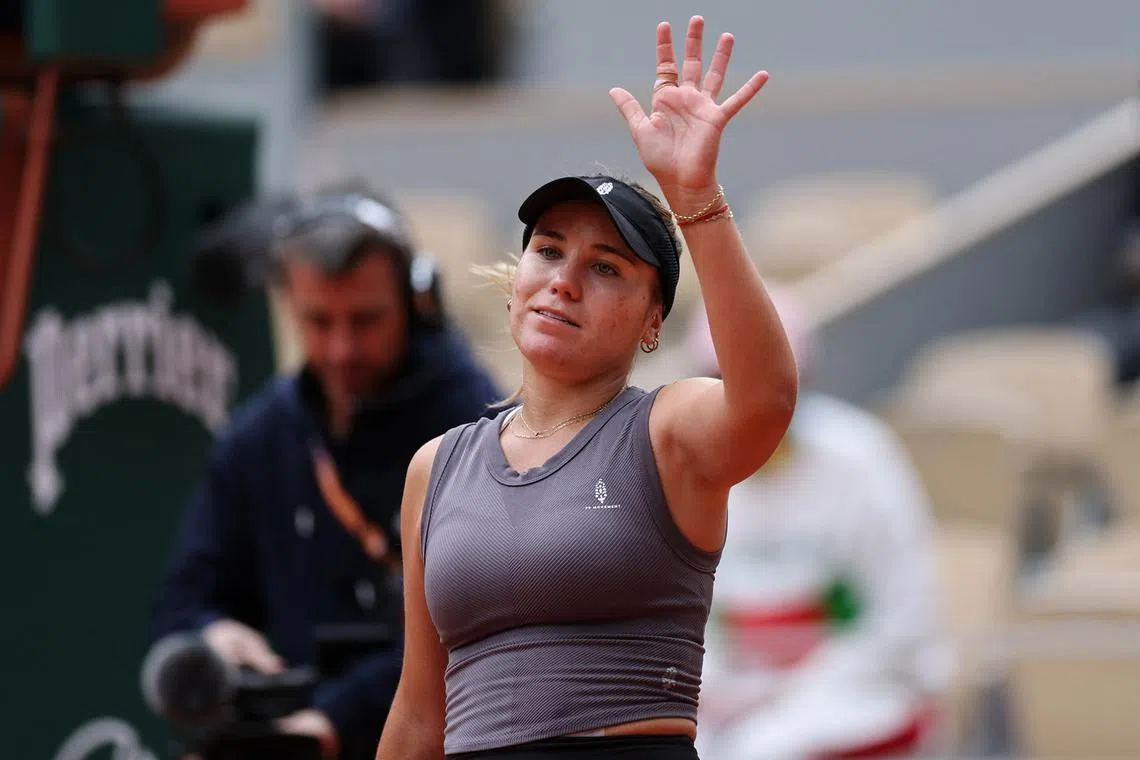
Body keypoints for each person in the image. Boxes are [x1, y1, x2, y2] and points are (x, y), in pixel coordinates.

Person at [375, 15, 798, 760]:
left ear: (651, 322)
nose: (564, 281)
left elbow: (764, 399)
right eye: (548, 251)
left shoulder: (669, 430)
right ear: (514, 289)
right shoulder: (434, 468)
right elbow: (419, 711)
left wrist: (695, 196)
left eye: (606, 268)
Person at [148, 184, 503, 760]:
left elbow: (478, 633)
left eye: (365, 320)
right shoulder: (262, 433)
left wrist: (335, 718)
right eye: (318, 321)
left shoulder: (480, 426)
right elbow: (183, 598)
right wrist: (212, 635)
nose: (340, 348)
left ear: (417, 303)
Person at [686, 292, 952, 760]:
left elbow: (903, 622)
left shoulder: (862, 459)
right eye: (723, 380)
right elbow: (699, 622)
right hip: (740, 696)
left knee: (763, 749)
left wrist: (784, 694)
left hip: (866, 687)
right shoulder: (695, 474)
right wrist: (720, 690)